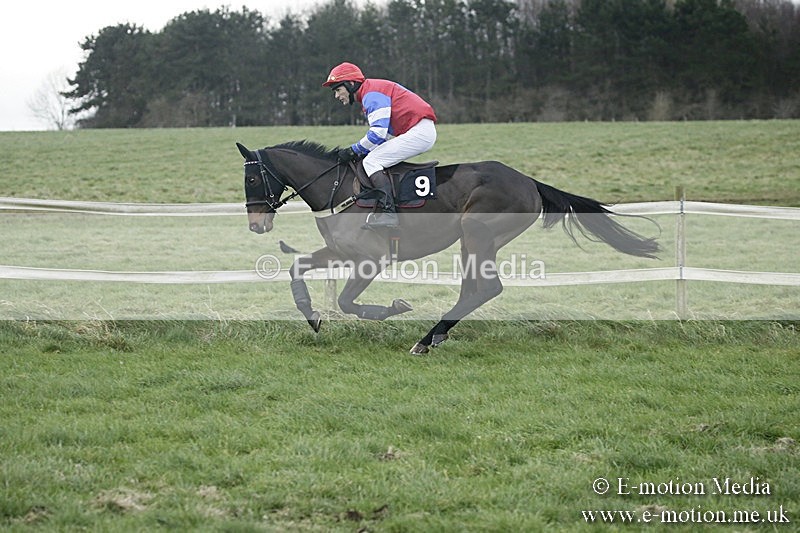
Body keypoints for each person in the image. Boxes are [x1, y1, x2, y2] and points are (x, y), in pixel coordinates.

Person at [323, 62, 437, 228]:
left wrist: (353, 151)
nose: (336, 96)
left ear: (351, 84)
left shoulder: (372, 94)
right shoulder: (371, 91)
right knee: (371, 157)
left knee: (371, 162)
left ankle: (388, 213)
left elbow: (378, 134)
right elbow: (384, 136)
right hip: (417, 130)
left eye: (338, 90)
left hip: (420, 132)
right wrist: (361, 151)